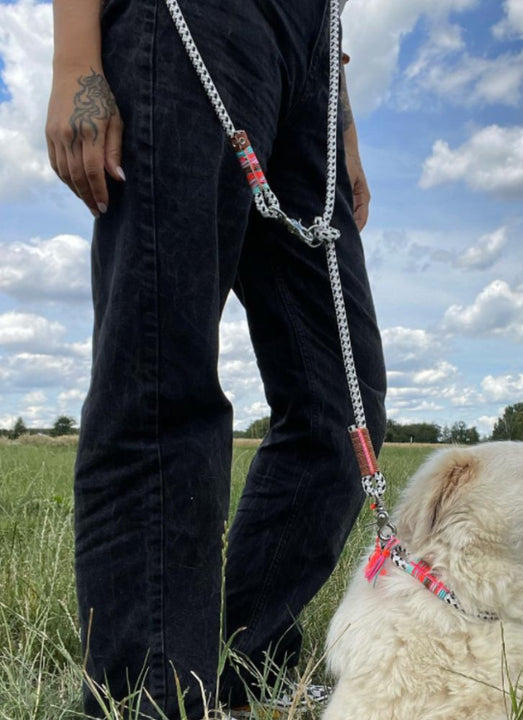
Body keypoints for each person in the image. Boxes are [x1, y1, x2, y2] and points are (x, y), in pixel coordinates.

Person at [45, 0, 386, 717]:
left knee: (342, 408)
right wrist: (77, 59)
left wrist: (341, 121)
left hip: (314, 49)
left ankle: (240, 668)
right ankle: (149, 698)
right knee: (160, 380)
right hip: (191, 18)